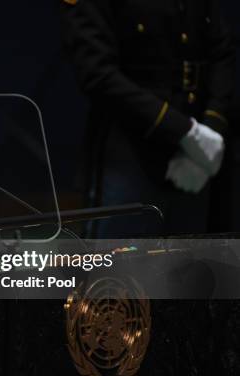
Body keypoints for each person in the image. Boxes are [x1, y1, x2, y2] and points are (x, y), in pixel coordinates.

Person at [60, 0, 235, 237]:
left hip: (199, 157)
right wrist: (186, 134)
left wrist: (211, 131)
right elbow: (97, 74)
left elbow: (222, 51)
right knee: (115, 269)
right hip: (130, 153)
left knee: (194, 267)